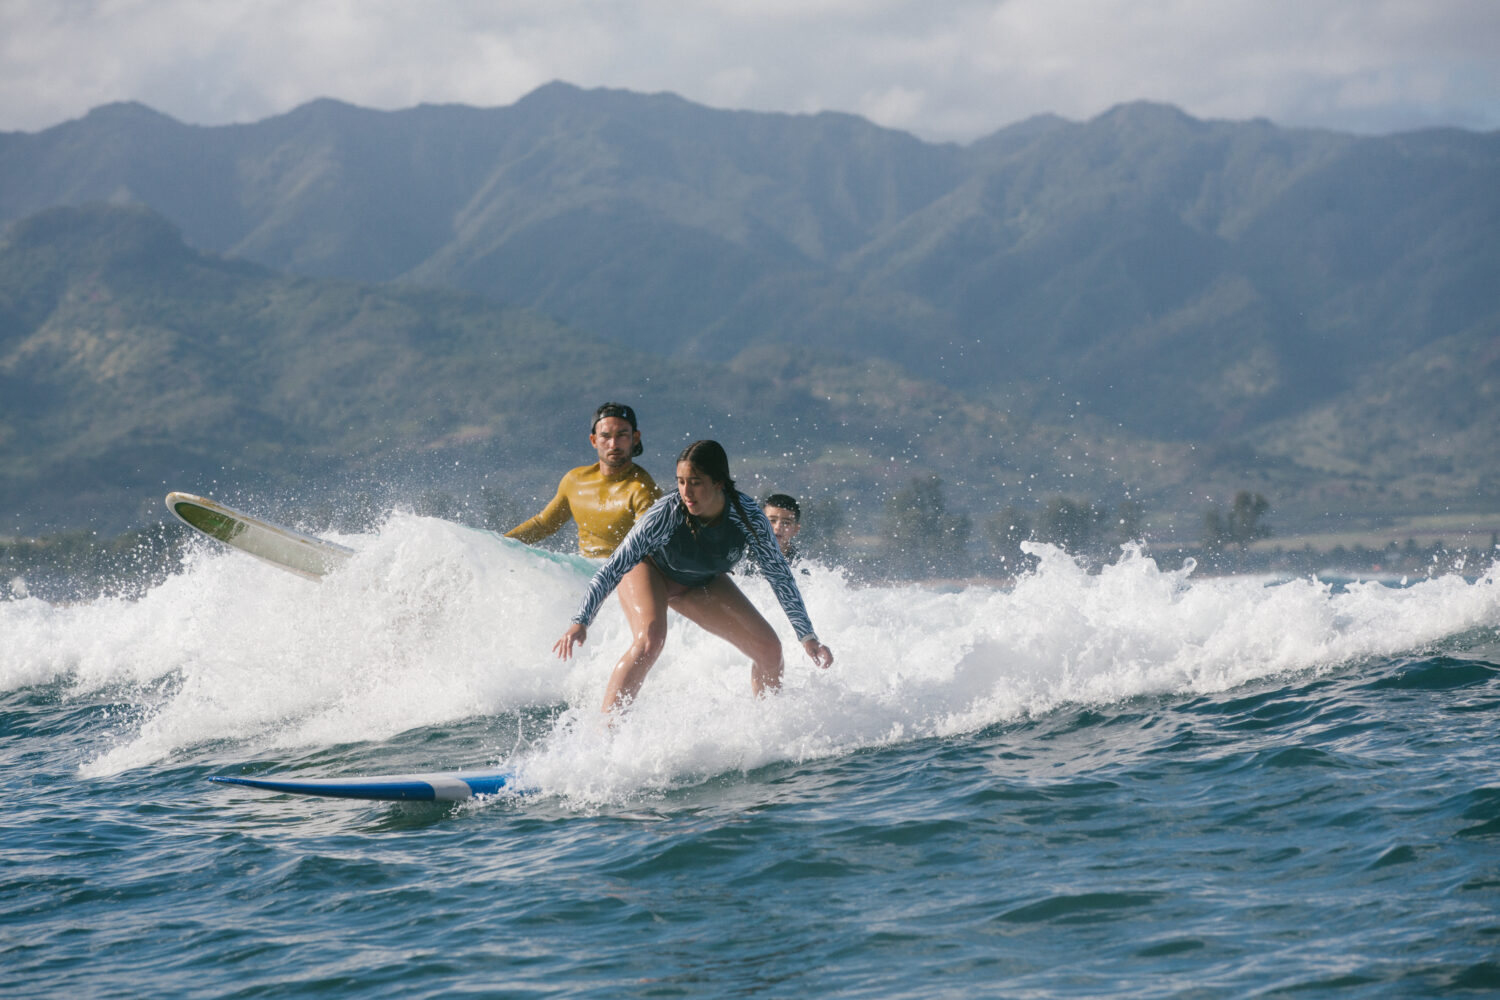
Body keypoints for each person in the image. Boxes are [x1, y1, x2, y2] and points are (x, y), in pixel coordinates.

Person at [554, 440, 834, 712]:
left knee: (770, 650)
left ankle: (769, 724)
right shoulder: (667, 512)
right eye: (681, 481)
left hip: (701, 582)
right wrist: (581, 620)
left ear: (718, 482)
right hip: (649, 571)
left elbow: (780, 576)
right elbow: (614, 566)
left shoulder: (747, 516)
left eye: (696, 482)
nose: (686, 491)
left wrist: (807, 635)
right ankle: (607, 735)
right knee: (650, 641)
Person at [505, 402, 661, 557]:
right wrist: (499, 544)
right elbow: (544, 525)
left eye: (622, 435)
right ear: (593, 440)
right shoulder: (575, 481)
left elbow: (648, 547)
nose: (613, 444)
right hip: (583, 572)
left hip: (624, 575)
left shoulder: (643, 490)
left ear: (635, 438)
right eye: (605, 436)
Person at [761, 493, 802, 561]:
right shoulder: (742, 553)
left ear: (796, 529)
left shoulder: (800, 566)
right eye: (772, 520)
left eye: (786, 523)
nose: (778, 527)